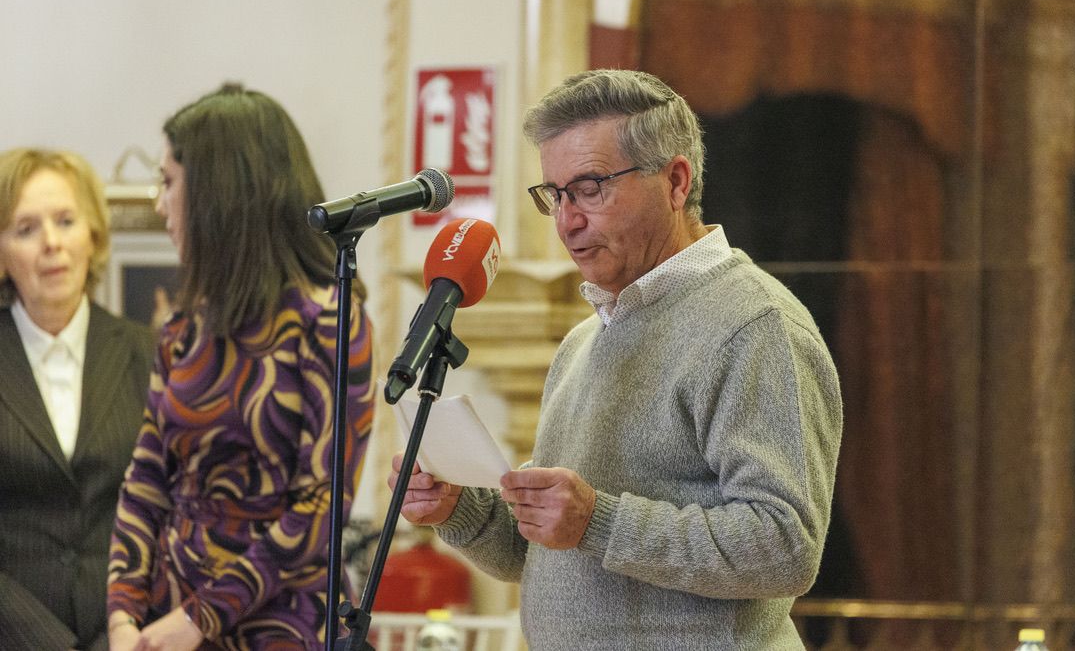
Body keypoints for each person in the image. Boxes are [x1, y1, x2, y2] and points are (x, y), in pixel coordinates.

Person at [390, 69, 843, 648]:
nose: (567, 220)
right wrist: (459, 508)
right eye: (554, 195)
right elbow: (549, 557)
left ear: (676, 181)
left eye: (590, 187)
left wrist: (597, 520)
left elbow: (785, 548)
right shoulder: (585, 340)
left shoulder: (754, 325)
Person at [107, 84, 376, 651]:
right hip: (168, 619)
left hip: (283, 627)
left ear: (218, 194)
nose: (159, 205)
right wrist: (122, 616)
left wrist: (198, 618)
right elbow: (146, 479)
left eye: (169, 182)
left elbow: (322, 506)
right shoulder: (185, 326)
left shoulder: (328, 318)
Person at [0, 148, 154, 651]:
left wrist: (128, 633)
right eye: (25, 229)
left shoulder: (151, 354)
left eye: (65, 221)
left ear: (93, 233)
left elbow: (172, 512)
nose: (51, 244)